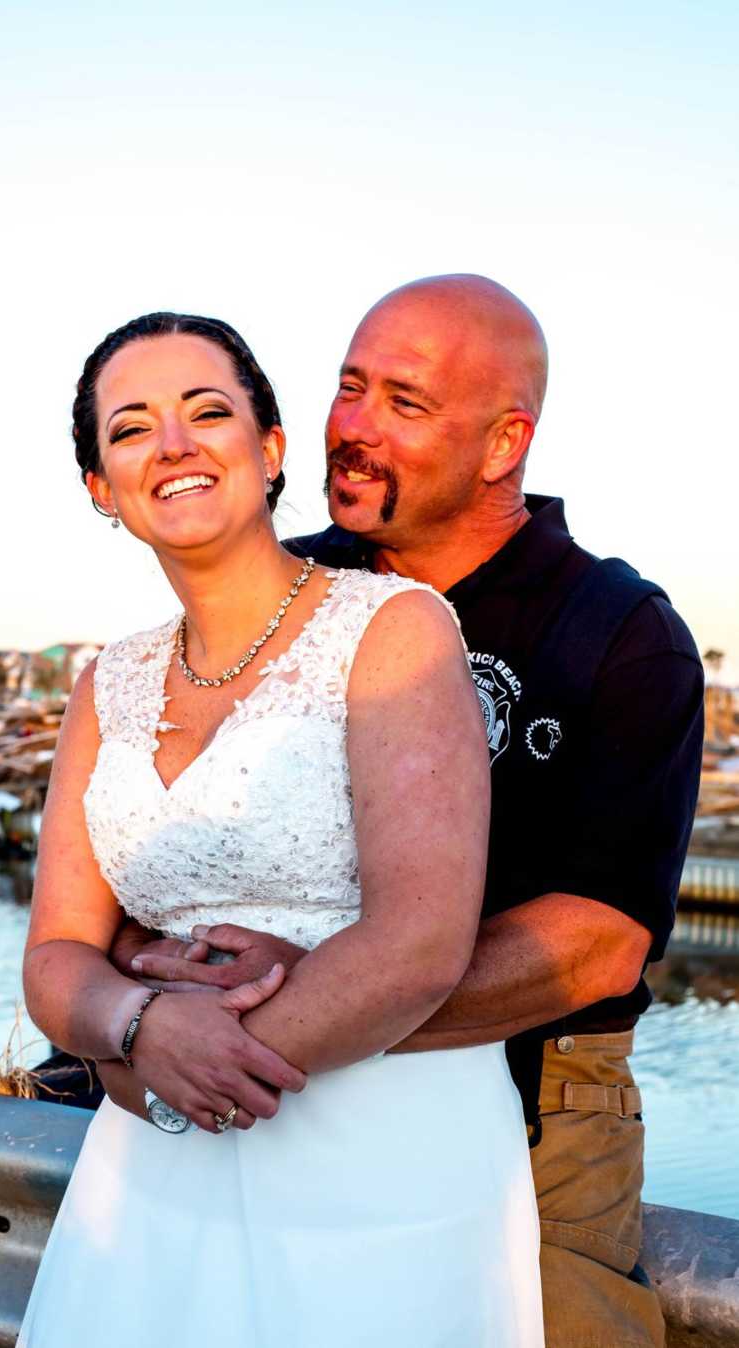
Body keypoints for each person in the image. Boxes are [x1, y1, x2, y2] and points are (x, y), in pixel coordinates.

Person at [111, 278, 704, 1348]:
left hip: (534, 1108)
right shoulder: (287, 587)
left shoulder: (617, 631)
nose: (355, 429)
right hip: (263, 1087)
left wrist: (282, 1010)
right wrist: (144, 1018)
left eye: (405, 404)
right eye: (349, 387)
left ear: (502, 443)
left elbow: (599, 944)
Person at [16, 310, 544, 1347]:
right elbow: (54, 956)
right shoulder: (105, 683)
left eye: (207, 411)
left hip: (378, 1152)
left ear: (269, 452)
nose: (172, 443)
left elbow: (423, 944)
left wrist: (186, 1071)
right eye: (131, 429)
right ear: (101, 490)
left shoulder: (392, 631)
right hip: (151, 1173)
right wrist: (139, 1029)